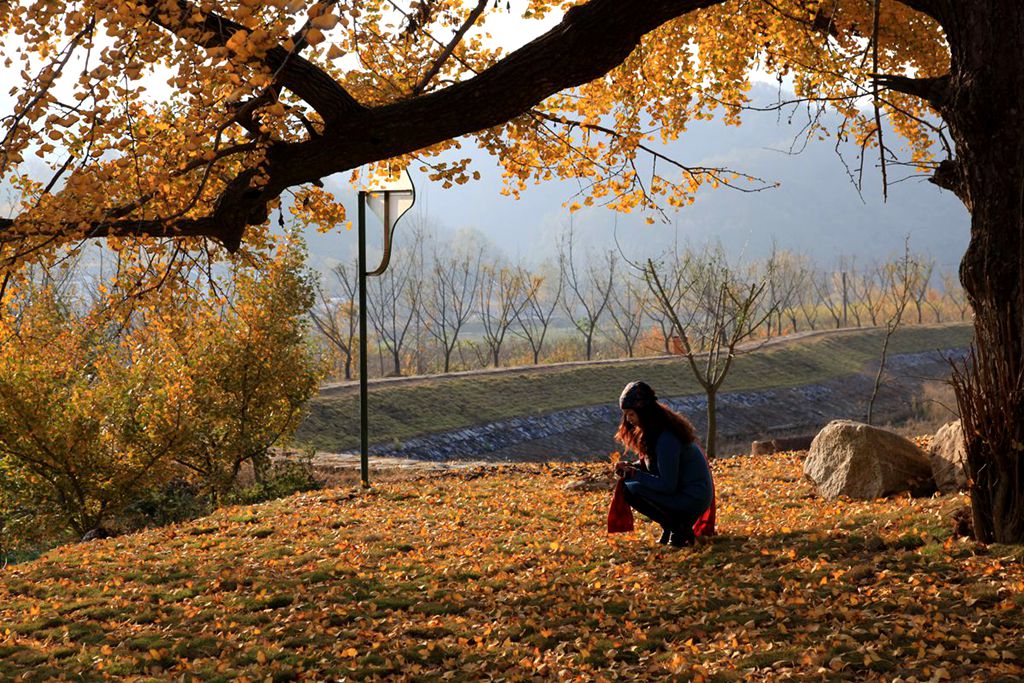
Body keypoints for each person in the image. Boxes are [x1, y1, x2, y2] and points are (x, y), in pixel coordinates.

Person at [613, 381, 714, 547]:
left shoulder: (667, 438)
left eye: (631, 414)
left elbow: (668, 485)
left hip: (692, 498)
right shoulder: (657, 431)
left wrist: (635, 474)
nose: (628, 419)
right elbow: (656, 464)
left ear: (644, 412)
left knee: (630, 490)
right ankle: (672, 527)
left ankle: (679, 528)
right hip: (686, 493)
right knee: (630, 485)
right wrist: (633, 466)